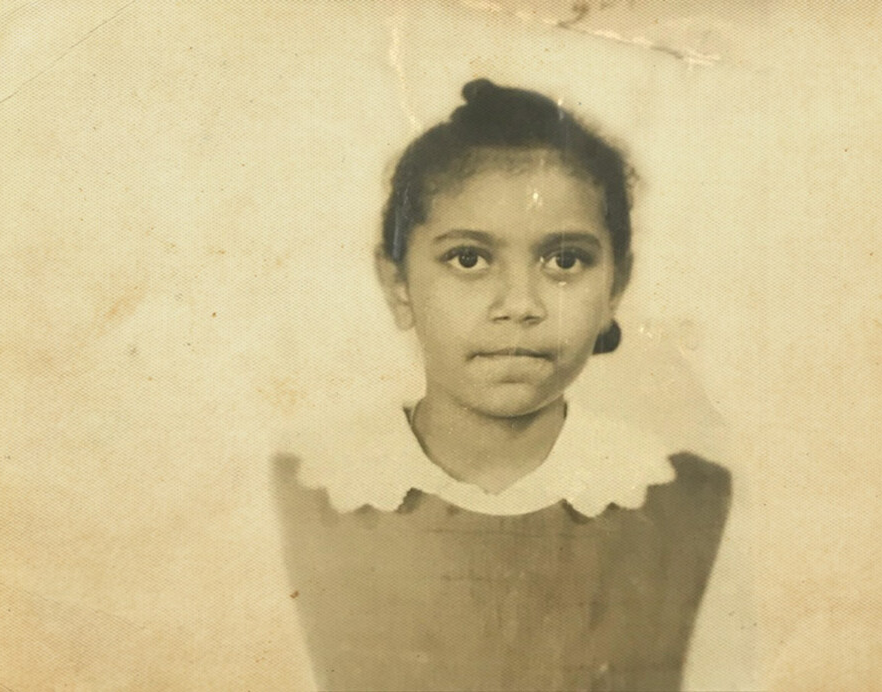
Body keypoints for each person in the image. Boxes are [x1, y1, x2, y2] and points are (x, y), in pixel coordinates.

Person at [272, 78, 744, 691]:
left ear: (615, 287)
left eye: (565, 261)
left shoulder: (690, 502)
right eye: (468, 259)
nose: (520, 305)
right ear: (397, 284)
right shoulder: (303, 495)